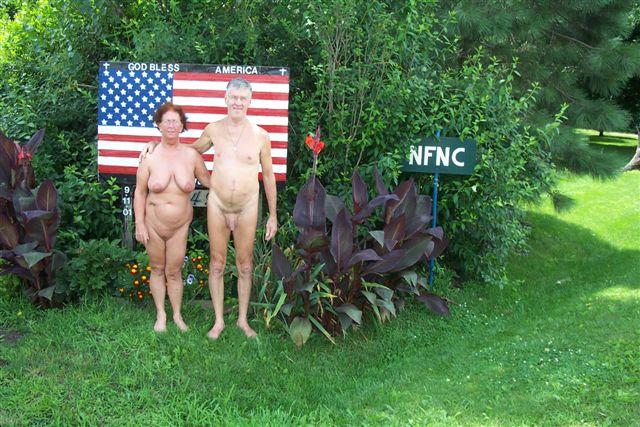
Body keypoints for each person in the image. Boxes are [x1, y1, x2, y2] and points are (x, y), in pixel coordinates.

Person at [142, 78, 278, 339]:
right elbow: (188, 151)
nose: (237, 102)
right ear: (225, 99)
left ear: (250, 101)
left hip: (247, 206)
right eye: (233, 97)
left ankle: (242, 321)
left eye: (242, 98)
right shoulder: (213, 129)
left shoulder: (261, 135)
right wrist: (158, 145)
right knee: (217, 263)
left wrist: (273, 215)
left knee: (245, 264)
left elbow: (269, 176)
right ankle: (218, 321)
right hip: (217, 204)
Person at [133, 102, 211, 332]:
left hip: (180, 226)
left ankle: (177, 315)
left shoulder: (191, 156)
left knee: (174, 271)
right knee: (157, 268)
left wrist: (236, 181)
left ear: (182, 126)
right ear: (158, 125)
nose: (171, 125)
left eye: (175, 121)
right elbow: (140, 192)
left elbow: (210, 182)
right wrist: (139, 224)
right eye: (166, 121)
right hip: (153, 224)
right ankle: (161, 314)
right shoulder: (149, 156)